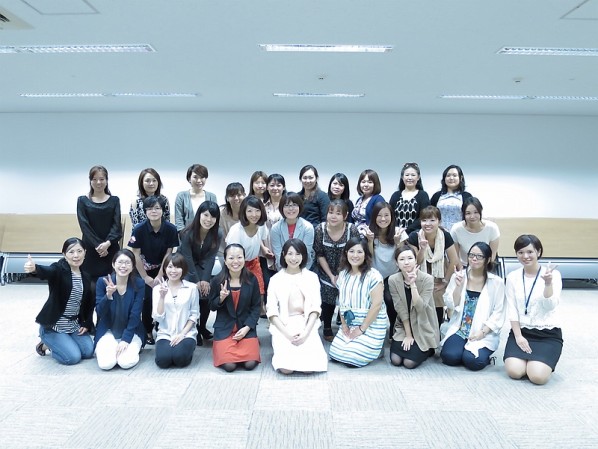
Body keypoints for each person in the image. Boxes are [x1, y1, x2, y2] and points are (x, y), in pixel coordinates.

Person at [503, 235, 563, 385]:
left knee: (537, 377)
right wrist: (518, 336)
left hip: (547, 334)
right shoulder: (512, 277)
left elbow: (550, 306)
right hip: (522, 331)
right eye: (520, 252)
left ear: (538, 252)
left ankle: (537, 363)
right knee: (515, 372)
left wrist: (548, 284)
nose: (525, 256)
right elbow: (512, 309)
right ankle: (529, 361)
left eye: (530, 252)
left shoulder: (553, 275)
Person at [26, 238, 94, 365]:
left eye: (79, 251)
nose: (76, 255)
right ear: (64, 254)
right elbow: (48, 271)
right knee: (73, 358)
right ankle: (45, 344)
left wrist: (86, 323)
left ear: (85, 252)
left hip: (73, 325)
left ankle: (63, 342)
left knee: (88, 352)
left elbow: (89, 304)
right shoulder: (59, 269)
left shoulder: (86, 276)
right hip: (54, 326)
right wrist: (35, 269)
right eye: (71, 252)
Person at [440, 242, 506, 371]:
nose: (474, 259)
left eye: (479, 256)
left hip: (482, 332)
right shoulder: (459, 276)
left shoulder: (496, 282)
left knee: (473, 362)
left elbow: (499, 312)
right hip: (460, 329)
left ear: (487, 260)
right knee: (449, 357)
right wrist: (458, 286)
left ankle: (481, 356)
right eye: (471, 255)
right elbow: (451, 305)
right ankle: (461, 349)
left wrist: (483, 332)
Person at [266, 239, 328, 374]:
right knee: (286, 369)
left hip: (306, 323)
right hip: (284, 324)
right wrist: (288, 335)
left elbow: (315, 308)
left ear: (304, 256)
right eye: (290, 254)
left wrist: (306, 333)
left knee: (309, 369)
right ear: (283, 255)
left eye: (298, 254)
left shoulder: (311, 277)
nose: (293, 258)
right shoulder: (275, 279)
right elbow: (272, 312)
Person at [128, 195, 179, 345]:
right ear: (145, 211)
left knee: (165, 296)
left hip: (163, 268)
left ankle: (162, 327)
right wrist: (145, 277)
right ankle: (148, 330)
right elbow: (135, 255)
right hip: (142, 269)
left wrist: (159, 275)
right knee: (147, 298)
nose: (153, 211)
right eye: (149, 208)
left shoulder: (171, 229)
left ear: (163, 210)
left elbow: (168, 254)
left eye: (157, 208)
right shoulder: (138, 229)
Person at [329, 237, 387, 367]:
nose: (355, 255)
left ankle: (376, 348)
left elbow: (376, 305)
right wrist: (344, 325)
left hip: (370, 325)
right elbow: (342, 303)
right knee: (335, 355)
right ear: (346, 253)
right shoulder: (343, 274)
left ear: (366, 254)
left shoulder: (374, 276)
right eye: (351, 251)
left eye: (360, 252)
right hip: (350, 323)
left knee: (352, 360)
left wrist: (361, 329)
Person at [208, 244, 261, 372]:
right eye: (231, 258)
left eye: (239, 257)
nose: (235, 261)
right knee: (229, 366)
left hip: (245, 328)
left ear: (244, 259)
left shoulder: (252, 279)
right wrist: (221, 298)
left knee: (250, 364)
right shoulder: (217, 281)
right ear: (225, 261)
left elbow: (256, 307)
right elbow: (212, 306)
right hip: (224, 328)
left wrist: (247, 328)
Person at [313, 200, 359, 341]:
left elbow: (355, 253)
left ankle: (347, 324)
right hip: (326, 270)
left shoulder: (352, 230)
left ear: (345, 216)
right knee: (328, 296)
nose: (333, 216)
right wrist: (331, 275)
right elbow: (319, 254)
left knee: (347, 296)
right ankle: (327, 326)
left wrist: (341, 274)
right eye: (331, 212)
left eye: (338, 213)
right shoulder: (320, 229)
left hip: (348, 269)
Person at [178, 200, 223, 346]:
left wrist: (205, 280)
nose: (209, 220)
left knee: (206, 292)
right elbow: (187, 258)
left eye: (213, 217)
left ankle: (202, 326)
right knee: (193, 293)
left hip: (203, 265)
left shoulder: (218, 233)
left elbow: (211, 257)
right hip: (185, 266)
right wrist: (197, 281)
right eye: (206, 215)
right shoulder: (187, 233)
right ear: (199, 215)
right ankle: (193, 328)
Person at [407, 206, 461, 327]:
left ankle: (437, 330)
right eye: (424, 220)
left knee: (437, 306)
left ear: (439, 221)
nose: (428, 224)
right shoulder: (414, 236)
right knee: (420, 306)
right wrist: (422, 249)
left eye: (432, 220)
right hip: (420, 274)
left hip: (439, 274)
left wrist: (445, 282)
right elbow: (416, 262)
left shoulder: (445, 236)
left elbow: (454, 260)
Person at [388, 245, 439, 369]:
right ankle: (412, 342)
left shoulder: (427, 279)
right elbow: (400, 308)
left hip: (422, 325)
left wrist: (413, 285)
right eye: (402, 259)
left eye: (410, 258)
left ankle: (428, 348)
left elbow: (420, 307)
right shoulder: (393, 280)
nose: (406, 262)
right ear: (396, 263)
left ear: (416, 260)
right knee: (395, 360)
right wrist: (408, 335)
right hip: (404, 325)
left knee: (409, 363)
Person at [94, 249, 145, 370]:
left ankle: (126, 350)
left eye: (127, 263)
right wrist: (108, 295)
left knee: (125, 362)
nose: (123, 266)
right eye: (120, 262)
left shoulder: (139, 283)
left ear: (133, 266)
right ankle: (110, 350)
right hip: (108, 330)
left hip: (132, 331)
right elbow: (99, 312)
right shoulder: (102, 282)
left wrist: (126, 339)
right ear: (113, 264)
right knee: (106, 364)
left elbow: (135, 314)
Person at [76, 165, 122, 291]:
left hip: (110, 248)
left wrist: (107, 244)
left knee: (112, 284)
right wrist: (98, 245)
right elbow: (84, 226)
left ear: (106, 180)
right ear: (90, 181)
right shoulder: (82, 200)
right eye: (94, 179)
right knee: (90, 287)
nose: (98, 182)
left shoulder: (114, 200)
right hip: (91, 249)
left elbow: (116, 226)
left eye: (102, 179)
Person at [225, 195, 273, 314]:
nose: (254, 215)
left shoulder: (261, 226)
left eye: (257, 211)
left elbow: (259, 238)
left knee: (260, 291)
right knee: (242, 295)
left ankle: (257, 314)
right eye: (250, 211)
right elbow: (231, 254)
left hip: (254, 262)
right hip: (237, 265)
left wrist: (263, 248)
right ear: (244, 212)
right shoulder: (236, 230)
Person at [364, 201, 406, 333]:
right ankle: (371, 329)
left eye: (386, 215)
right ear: (374, 217)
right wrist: (370, 240)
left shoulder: (398, 232)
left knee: (390, 299)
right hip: (375, 275)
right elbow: (369, 257)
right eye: (379, 215)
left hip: (393, 274)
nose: (383, 219)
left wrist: (398, 242)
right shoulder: (369, 232)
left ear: (392, 217)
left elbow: (402, 256)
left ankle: (394, 327)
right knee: (372, 301)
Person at [152, 253, 200, 369]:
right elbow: (157, 317)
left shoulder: (192, 288)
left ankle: (188, 347)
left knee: (180, 359)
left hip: (186, 333)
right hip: (165, 333)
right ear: (165, 269)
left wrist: (182, 334)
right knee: (163, 361)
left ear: (183, 269)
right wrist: (162, 297)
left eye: (178, 267)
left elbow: (194, 315)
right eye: (170, 267)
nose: (173, 271)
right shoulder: (158, 289)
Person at [450, 197, 500, 267]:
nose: (472, 216)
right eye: (468, 213)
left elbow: (492, 256)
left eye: (476, 212)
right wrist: (462, 270)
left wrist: (479, 270)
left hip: (485, 266)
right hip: (464, 266)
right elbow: (455, 256)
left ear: (480, 211)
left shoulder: (492, 228)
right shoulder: (456, 229)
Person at [270, 192, 314, 271]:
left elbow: (305, 254)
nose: (290, 209)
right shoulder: (275, 228)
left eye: (294, 205)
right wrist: (287, 272)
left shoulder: (308, 227)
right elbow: (278, 254)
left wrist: (297, 272)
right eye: (287, 205)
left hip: (303, 268)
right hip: (283, 268)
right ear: (282, 208)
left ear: (300, 207)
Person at [389, 162, 430, 235]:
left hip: (415, 235)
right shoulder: (396, 195)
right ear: (402, 177)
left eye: (413, 175)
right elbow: (390, 215)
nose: (410, 178)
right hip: (396, 234)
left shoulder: (423, 195)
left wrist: (406, 231)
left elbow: (424, 217)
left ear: (418, 177)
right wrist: (396, 230)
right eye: (407, 175)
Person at [174, 164, 217, 232]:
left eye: (202, 177)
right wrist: (185, 236)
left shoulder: (212, 197)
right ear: (189, 179)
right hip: (186, 235)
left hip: (207, 235)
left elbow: (214, 217)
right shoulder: (181, 196)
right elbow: (179, 222)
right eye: (195, 177)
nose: (199, 180)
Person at [430, 165, 473, 232]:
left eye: (454, 175)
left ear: (461, 178)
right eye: (448, 175)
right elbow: (429, 214)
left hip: (460, 232)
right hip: (439, 232)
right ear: (444, 178)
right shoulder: (437, 196)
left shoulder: (466, 196)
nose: (451, 178)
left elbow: (470, 215)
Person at [218, 182, 246, 265]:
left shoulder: (249, 212)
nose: (236, 198)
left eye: (239, 195)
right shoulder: (221, 213)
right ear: (227, 198)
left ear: (244, 195)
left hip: (245, 253)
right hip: (224, 252)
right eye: (232, 195)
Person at [351, 169, 385, 236]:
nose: (366, 185)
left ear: (375, 184)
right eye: (363, 182)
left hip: (369, 237)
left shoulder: (378, 199)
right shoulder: (359, 200)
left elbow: (381, 221)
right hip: (355, 235)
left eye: (370, 182)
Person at [298, 164, 330, 229]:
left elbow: (325, 219)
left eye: (311, 178)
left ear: (316, 179)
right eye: (305, 178)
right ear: (300, 179)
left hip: (316, 231)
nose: (308, 181)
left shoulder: (322, 196)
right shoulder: (297, 197)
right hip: (299, 231)